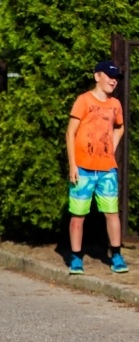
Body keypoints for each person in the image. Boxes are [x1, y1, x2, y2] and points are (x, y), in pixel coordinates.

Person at [66, 61, 128, 275]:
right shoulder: (83, 101)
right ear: (97, 77)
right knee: (78, 215)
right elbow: (70, 133)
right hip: (82, 168)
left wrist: (112, 146)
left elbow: (120, 127)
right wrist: (73, 164)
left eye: (116, 77)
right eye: (110, 76)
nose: (113, 80)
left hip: (107, 169)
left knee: (112, 212)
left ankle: (117, 255)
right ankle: (76, 258)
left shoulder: (115, 105)